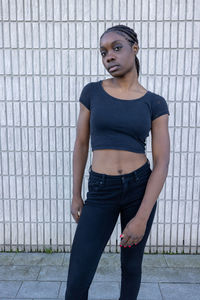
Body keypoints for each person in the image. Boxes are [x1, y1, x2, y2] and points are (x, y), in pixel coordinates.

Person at [65, 24, 170, 300]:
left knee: (131, 267)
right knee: (78, 275)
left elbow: (161, 162)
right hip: (100, 190)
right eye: (103, 52)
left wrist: (142, 217)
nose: (108, 56)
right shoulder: (92, 92)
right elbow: (81, 144)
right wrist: (76, 194)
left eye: (116, 48)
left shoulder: (155, 103)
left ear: (135, 49)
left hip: (139, 189)